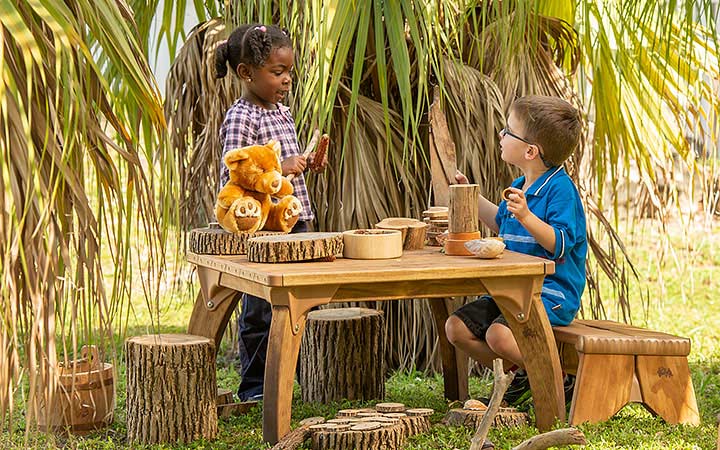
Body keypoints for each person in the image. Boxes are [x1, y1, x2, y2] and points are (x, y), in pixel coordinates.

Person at [446, 95, 587, 408]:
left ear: (530, 151)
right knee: (456, 328)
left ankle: (559, 381)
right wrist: (469, 193)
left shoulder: (561, 191)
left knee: (499, 336)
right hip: (510, 291)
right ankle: (525, 371)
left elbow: (560, 243)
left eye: (508, 130)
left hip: (549, 294)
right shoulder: (522, 183)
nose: (501, 134)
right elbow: (500, 222)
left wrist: (527, 216)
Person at [215, 23, 327, 402]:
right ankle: (255, 390)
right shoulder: (242, 117)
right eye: (277, 73)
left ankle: (287, 382)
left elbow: (282, 170)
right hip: (262, 230)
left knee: (295, 309)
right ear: (246, 73)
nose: (287, 80)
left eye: (289, 72)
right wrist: (283, 168)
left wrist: (304, 164)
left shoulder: (280, 111)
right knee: (261, 311)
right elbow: (234, 178)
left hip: (295, 221)